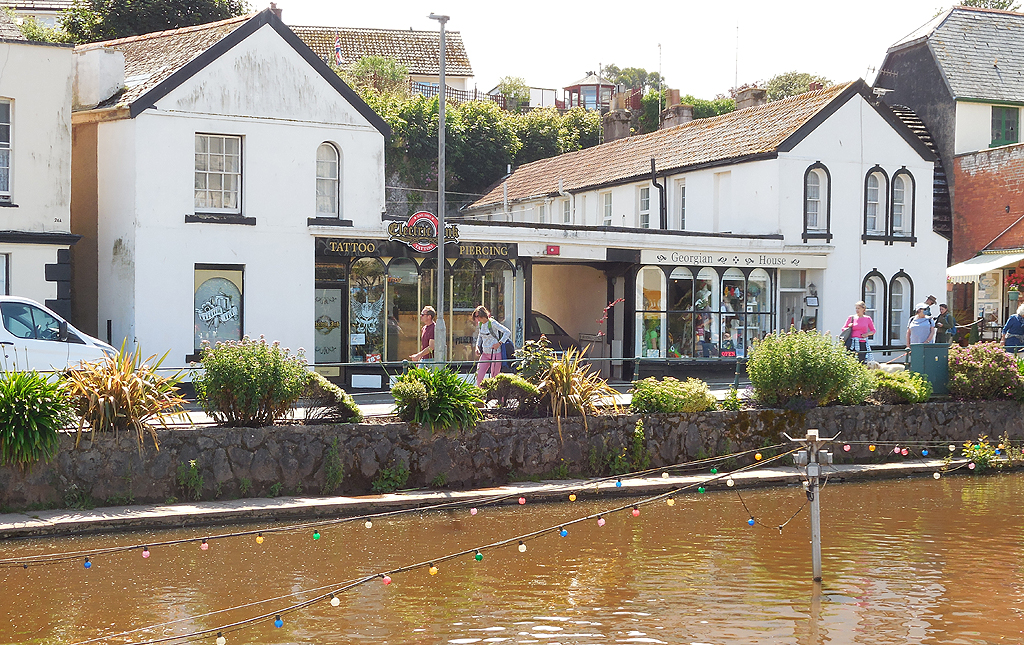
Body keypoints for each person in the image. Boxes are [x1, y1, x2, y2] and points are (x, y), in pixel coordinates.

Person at [473, 305, 511, 385]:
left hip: (495, 353)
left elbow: (507, 332)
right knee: (479, 375)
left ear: (483, 315)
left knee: (494, 377)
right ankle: (482, 395)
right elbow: (480, 336)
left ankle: (498, 396)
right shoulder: (480, 324)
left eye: (477, 316)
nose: (477, 318)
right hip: (485, 354)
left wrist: (499, 343)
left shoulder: (492, 323)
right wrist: (477, 346)